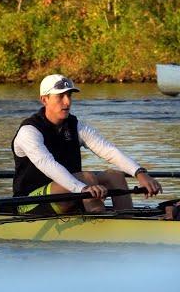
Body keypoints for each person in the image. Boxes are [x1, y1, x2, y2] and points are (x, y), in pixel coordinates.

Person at [11, 74, 162, 214]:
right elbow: (47, 164)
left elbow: (108, 150)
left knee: (114, 176)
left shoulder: (75, 126)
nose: (67, 102)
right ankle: (99, 224)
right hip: (29, 201)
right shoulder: (29, 131)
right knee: (86, 177)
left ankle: (128, 223)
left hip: (70, 191)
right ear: (44, 100)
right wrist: (82, 188)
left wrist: (140, 173)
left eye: (69, 95)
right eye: (60, 96)